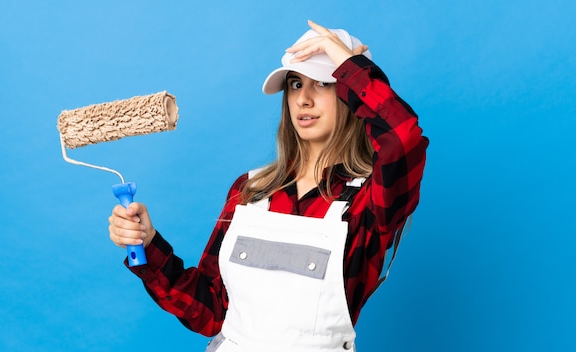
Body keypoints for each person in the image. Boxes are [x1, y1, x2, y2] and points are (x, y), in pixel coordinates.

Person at [108, 20, 428, 352]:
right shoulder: (250, 190)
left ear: (348, 92)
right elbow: (210, 312)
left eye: (322, 82)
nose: (303, 99)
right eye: (295, 84)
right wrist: (146, 244)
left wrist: (350, 66)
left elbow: (403, 138)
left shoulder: (371, 200)